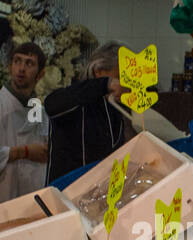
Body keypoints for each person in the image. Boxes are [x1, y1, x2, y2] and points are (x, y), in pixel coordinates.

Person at [0, 42, 50, 202]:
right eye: (17, 61)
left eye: (29, 63)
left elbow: (44, 147)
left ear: (40, 74)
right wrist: (24, 152)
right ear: (9, 67)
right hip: (0, 198)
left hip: (34, 200)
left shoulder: (37, 110)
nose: (21, 68)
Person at [43, 42, 129, 184]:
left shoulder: (114, 107)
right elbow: (51, 104)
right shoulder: (77, 98)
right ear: (99, 71)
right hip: (64, 194)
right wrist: (106, 84)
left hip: (99, 195)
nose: (123, 84)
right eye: (120, 76)